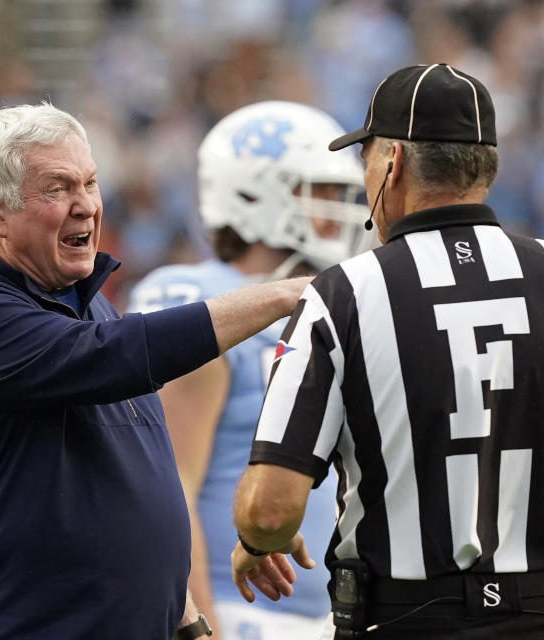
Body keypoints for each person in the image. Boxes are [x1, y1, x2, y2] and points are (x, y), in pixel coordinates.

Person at [228, 64, 544, 639]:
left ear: (394, 161)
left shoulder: (342, 294)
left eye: (365, 158)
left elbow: (269, 509)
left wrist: (259, 541)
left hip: (404, 619)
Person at [0, 102, 310, 639]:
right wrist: (281, 296)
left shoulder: (89, 307)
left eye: (90, 183)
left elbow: (126, 481)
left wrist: (187, 618)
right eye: (57, 189)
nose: (86, 206)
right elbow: (116, 355)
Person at [128, 101, 369, 640]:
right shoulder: (192, 300)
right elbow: (163, 491)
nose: (342, 207)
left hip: (323, 612)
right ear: (257, 194)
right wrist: (199, 627)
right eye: (322, 191)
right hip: (234, 614)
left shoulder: (327, 303)